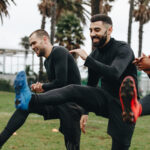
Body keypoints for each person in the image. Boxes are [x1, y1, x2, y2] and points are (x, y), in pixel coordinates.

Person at [14, 14, 140, 150]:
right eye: (91, 30)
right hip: (105, 100)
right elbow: (91, 86)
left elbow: (115, 72)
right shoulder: (95, 55)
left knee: (120, 145)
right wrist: (85, 112)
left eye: (97, 30)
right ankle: (31, 99)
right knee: (73, 89)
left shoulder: (123, 49)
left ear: (109, 30)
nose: (92, 34)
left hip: (126, 105)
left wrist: (88, 60)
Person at [0, 29, 87, 150]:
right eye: (31, 44)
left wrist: (43, 86)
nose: (32, 46)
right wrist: (42, 89)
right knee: (26, 105)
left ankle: (28, 95)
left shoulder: (59, 52)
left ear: (45, 39)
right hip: (60, 101)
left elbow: (61, 83)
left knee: (72, 145)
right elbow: (56, 86)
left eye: (34, 43)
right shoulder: (47, 61)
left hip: (73, 104)